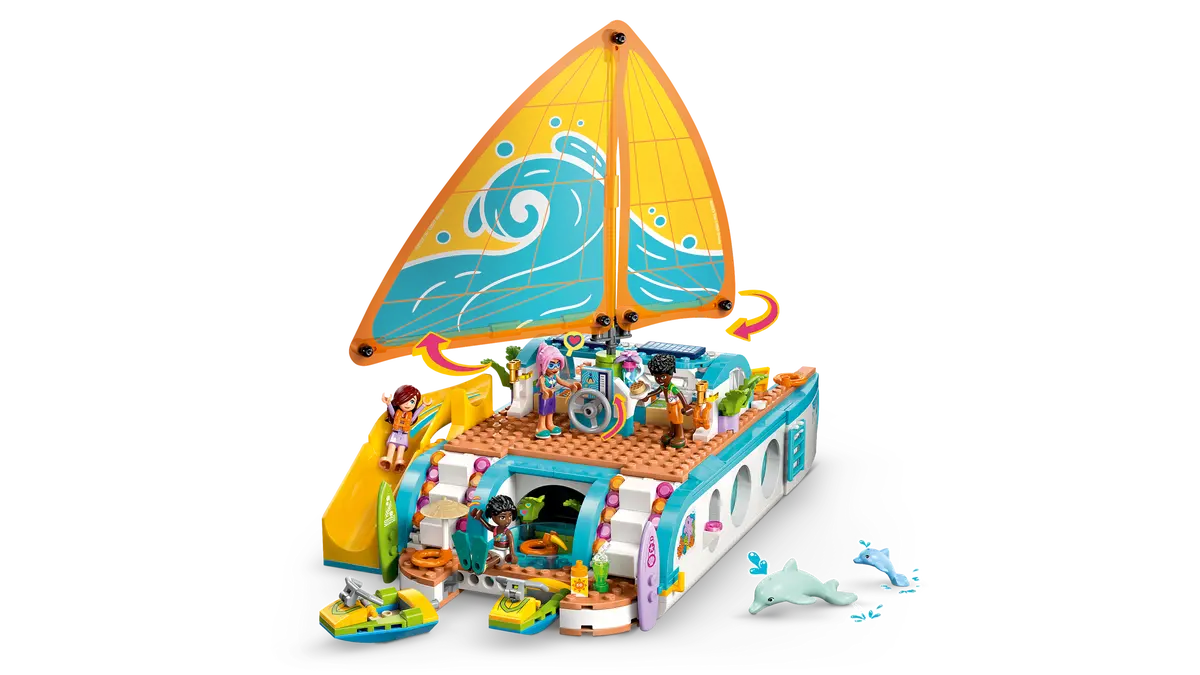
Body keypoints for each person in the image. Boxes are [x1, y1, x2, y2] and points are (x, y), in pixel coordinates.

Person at [534, 342, 581, 440]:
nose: (555, 368)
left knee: (551, 411)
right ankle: (540, 427)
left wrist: (570, 385)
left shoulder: (555, 376)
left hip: (552, 396)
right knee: (543, 412)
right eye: (551, 365)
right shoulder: (543, 378)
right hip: (545, 397)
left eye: (558, 364)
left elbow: (562, 382)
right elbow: (542, 387)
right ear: (544, 364)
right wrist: (546, 390)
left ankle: (550, 424)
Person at [645, 353, 694, 449]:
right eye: (656, 377)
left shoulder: (672, 387)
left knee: (677, 421)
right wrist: (648, 395)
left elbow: (680, 395)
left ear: (671, 375)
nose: (659, 380)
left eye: (663, 377)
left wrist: (686, 406)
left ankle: (680, 436)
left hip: (676, 406)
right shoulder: (663, 386)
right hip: (669, 405)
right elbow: (658, 390)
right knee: (672, 420)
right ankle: (672, 433)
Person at [376, 383, 424, 472]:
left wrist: (423, 405)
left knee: (401, 448)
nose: (408, 404)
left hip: (403, 436)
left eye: (412, 401)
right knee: (392, 446)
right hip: (394, 435)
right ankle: (388, 459)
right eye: (405, 400)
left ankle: (399, 461)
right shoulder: (397, 414)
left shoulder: (410, 417)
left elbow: (416, 414)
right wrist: (389, 403)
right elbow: (391, 412)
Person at [471, 495, 519, 564]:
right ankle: (475, 563)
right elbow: (488, 526)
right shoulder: (495, 529)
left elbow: (511, 544)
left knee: (496, 559)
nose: (507, 520)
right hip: (495, 549)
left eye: (510, 516)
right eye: (502, 517)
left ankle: (484, 566)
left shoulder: (508, 532)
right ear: (493, 516)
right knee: (487, 556)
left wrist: (512, 554)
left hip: (504, 552)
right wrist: (480, 518)